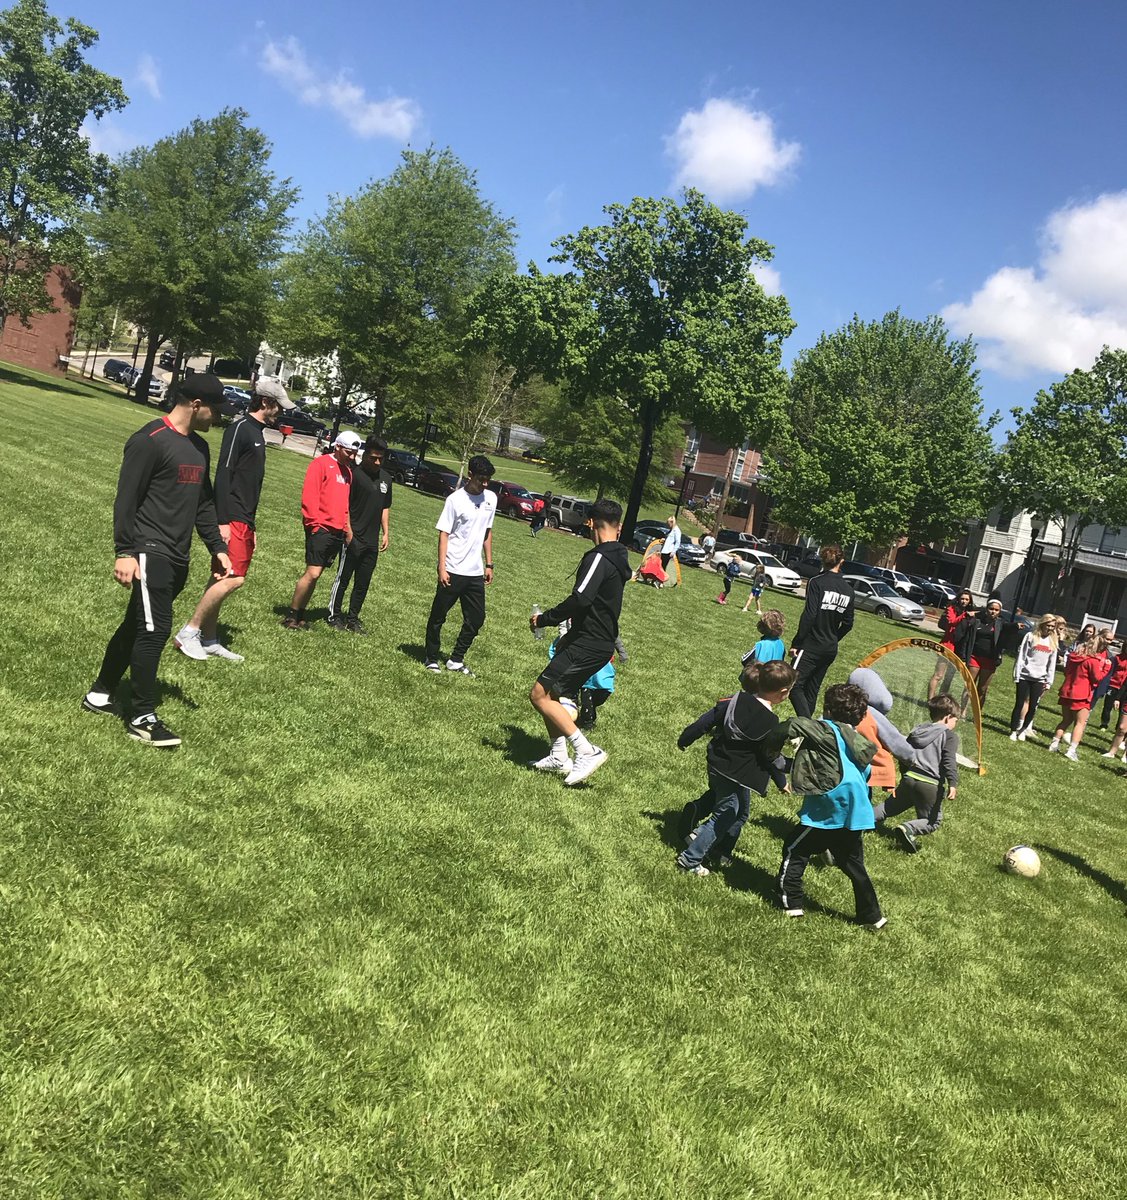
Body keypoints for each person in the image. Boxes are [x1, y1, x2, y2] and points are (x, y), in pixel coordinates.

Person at [83, 374, 231, 748]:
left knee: (136, 626)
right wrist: (125, 551)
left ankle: (100, 693)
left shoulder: (199, 448)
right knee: (155, 629)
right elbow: (126, 500)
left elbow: (203, 503)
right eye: (215, 410)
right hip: (150, 551)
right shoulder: (149, 440)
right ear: (196, 405)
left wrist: (216, 546)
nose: (218, 418)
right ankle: (142, 717)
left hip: (178, 555)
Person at [174, 376, 285, 662]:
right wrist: (222, 520)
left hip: (244, 519)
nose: (280, 412)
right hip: (232, 516)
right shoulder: (240, 429)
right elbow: (223, 474)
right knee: (234, 579)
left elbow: (251, 484)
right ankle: (189, 631)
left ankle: (209, 639)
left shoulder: (257, 433)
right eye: (278, 406)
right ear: (265, 402)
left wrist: (252, 525)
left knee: (221, 576)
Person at [529, 498, 630, 786]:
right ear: (619, 526)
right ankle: (558, 755)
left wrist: (545, 619)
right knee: (553, 695)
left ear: (590, 523)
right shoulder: (620, 556)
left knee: (538, 695)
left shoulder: (599, 557)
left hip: (588, 642)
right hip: (596, 642)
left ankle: (586, 751)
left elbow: (581, 600)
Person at [773, 683, 885, 928]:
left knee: (795, 848)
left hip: (829, 809)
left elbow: (792, 725)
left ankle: (791, 902)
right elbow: (866, 772)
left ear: (828, 711)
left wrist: (767, 747)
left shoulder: (826, 729)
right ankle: (872, 916)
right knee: (853, 864)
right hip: (856, 812)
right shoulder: (858, 740)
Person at [675, 659, 795, 876]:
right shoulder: (771, 723)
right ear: (784, 692)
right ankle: (689, 859)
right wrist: (786, 775)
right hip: (736, 776)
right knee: (725, 815)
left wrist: (686, 738)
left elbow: (704, 722)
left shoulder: (734, 700)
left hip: (717, 764)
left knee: (740, 813)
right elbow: (771, 758)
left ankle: (717, 850)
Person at [424, 455, 497, 674]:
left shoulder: (491, 498)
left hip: (474, 572)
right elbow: (444, 534)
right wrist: (442, 567)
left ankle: (456, 659)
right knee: (438, 616)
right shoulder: (455, 500)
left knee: (476, 619)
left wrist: (489, 564)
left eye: (488, 480)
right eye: (481, 479)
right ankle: (431, 657)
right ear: (470, 475)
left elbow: (487, 532)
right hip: (453, 568)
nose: (485, 484)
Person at [282, 431, 361, 630]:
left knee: (317, 574)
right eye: (349, 452)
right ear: (338, 447)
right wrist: (314, 525)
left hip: (337, 531)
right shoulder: (321, 464)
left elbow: (345, 503)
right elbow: (310, 495)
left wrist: (345, 528)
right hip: (321, 528)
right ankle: (291, 616)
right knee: (313, 572)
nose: (352, 457)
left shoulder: (348, 472)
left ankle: (300, 614)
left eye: (354, 453)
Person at [872, 693, 960, 853]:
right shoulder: (949, 736)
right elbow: (949, 760)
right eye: (956, 720)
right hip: (930, 784)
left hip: (909, 778)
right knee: (932, 821)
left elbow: (904, 752)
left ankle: (860, 820)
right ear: (948, 718)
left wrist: (904, 774)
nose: (955, 724)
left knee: (887, 808)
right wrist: (952, 783)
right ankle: (908, 829)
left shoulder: (918, 731)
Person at [326, 435, 392, 635]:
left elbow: (385, 507)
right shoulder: (354, 474)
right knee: (343, 579)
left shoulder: (386, 479)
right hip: (353, 537)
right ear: (365, 455)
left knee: (363, 583)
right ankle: (334, 615)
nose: (377, 462)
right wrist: (348, 531)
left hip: (371, 541)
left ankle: (352, 619)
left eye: (381, 458)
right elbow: (344, 504)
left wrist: (386, 532)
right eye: (373, 458)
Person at [789, 544, 855, 718]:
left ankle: (808, 726)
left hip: (811, 645)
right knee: (811, 690)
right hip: (829, 649)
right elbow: (848, 623)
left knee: (792, 683)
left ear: (823, 560)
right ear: (841, 561)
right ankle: (806, 728)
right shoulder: (848, 590)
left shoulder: (816, 582)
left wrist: (797, 643)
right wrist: (833, 638)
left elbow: (809, 615)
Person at [1049, 629, 1111, 761]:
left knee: (1066, 720)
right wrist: (1106, 668)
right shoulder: (1092, 661)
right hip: (1081, 694)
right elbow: (1097, 678)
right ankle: (1071, 750)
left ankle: (1054, 744)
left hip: (1067, 691)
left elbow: (1066, 671)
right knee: (1080, 723)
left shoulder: (1073, 657)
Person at [1009, 614, 1060, 740]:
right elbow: (1022, 656)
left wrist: (1049, 681)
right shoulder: (1030, 636)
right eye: (1048, 625)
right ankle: (1013, 730)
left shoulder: (1053, 641)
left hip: (1040, 678)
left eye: (1052, 626)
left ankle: (1023, 730)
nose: (1050, 628)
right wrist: (1017, 674)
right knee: (1019, 704)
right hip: (1025, 676)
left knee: (1032, 707)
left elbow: (1052, 663)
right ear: (1042, 624)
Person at [928, 588, 975, 697]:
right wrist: (964, 615)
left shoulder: (970, 614)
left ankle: (942, 699)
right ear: (958, 599)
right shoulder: (951, 609)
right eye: (962, 599)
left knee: (949, 678)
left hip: (958, 649)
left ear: (970, 601)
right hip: (947, 646)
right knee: (938, 675)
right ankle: (930, 698)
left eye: (966, 599)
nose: (964, 601)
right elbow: (952, 621)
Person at [961, 598, 1005, 707]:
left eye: (996, 610)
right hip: (974, 657)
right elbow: (967, 638)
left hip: (989, 660)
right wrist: (963, 656)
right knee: (969, 686)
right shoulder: (977, 621)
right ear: (986, 609)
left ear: (1000, 612)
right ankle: (962, 711)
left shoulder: (1000, 624)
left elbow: (1009, 634)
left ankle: (977, 713)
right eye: (991, 609)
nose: (993, 611)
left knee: (982, 689)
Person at [1097, 640, 1127, 730]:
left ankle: (1118, 727)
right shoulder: (1117, 658)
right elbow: (1110, 671)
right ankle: (1104, 723)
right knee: (1108, 705)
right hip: (1113, 685)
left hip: (1124, 688)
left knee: (1122, 708)